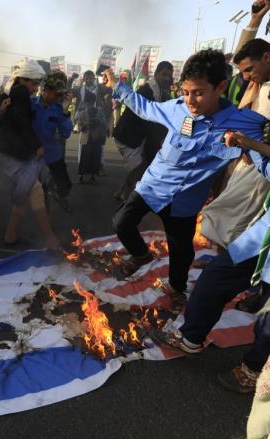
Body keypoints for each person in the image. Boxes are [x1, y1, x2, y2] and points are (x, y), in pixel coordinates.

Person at [103, 49, 270, 300]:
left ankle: (177, 288)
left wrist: (252, 146)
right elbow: (145, 107)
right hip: (153, 187)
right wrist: (118, 86)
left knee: (181, 252)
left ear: (221, 87)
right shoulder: (178, 109)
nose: (190, 101)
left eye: (199, 93)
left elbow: (263, 164)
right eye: (186, 92)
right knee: (121, 223)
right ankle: (141, 255)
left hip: (186, 202)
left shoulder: (243, 123)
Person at [151, 129, 270, 396]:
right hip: (262, 238)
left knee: (268, 322)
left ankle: (253, 371)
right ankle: (191, 337)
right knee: (216, 277)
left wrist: (251, 145)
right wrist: (250, 149)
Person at [200, 4, 270, 256]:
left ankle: (228, 270)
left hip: (260, 165)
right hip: (243, 157)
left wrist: (251, 146)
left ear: (267, 58)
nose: (247, 76)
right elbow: (246, 55)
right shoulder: (257, 84)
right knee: (222, 212)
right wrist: (254, 20)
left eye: (250, 70)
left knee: (234, 219)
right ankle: (223, 264)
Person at [0, 57, 60, 250]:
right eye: (34, 83)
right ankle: (50, 239)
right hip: (8, 153)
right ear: (22, 79)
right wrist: (37, 145)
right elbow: (21, 120)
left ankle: (11, 236)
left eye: (37, 83)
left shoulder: (9, 91)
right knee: (35, 189)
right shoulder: (20, 92)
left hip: (5, 152)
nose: (35, 88)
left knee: (29, 189)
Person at [112, 61, 174, 201]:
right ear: (156, 74)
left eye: (169, 76)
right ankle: (126, 204)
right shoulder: (147, 91)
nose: (167, 78)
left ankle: (122, 191)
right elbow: (151, 120)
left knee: (142, 166)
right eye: (164, 74)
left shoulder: (160, 91)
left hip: (138, 137)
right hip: (128, 137)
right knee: (139, 171)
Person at [32, 71, 73, 211]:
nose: (58, 98)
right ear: (45, 89)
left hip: (53, 154)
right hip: (34, 155)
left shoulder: (59, 108)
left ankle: (59, 193)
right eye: (56, 94)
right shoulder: (31, 105)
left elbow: (66, 133)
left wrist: (65, 111)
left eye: (61, 95)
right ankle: (45, 221)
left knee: (65, 186)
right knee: (40, 193)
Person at [75, 91, 106, 185]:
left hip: (95, 139)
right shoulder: (83, 113)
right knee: (86, 158)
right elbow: (80, 126)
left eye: (91, 102)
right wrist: (86, 124)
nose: (90, 104)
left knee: (93, 158)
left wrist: (98, 121)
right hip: (89, 139)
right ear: (86, 103)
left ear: (94, 102)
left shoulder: (99, 112)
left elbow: (104, 123)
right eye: (89, 103)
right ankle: (83, 177)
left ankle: (89, 177)